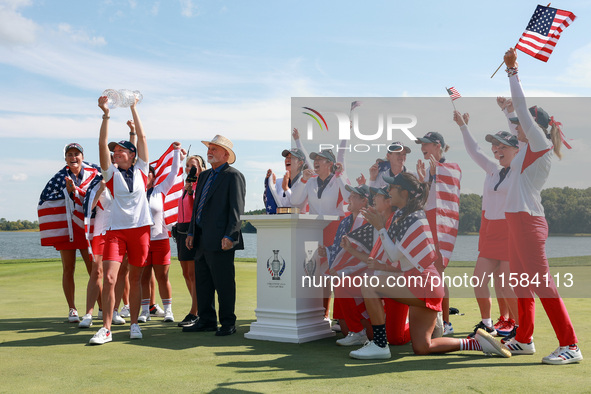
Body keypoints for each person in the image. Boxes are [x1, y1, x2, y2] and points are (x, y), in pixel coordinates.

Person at [349, 173, 509, 360]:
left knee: (369, 284)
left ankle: (380, 344)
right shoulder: (406, 215)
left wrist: (380, 228)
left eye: (392, 187)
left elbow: (393, 255)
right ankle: (475, 343)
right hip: (424, 284)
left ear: (404, 192)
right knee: (423, 347)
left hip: (423, 284)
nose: (389, 191)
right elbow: (396, 256)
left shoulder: (413, 218)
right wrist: (380, 226)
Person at [500, 48, 582, 364]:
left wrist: (513, 71)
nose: (514, 126)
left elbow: (521, 110)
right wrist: (506, 108)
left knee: (541, 283)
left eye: (519, 122)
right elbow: (516, 116)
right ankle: (524, 339)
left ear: (533, 124)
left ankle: (571, 345)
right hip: (517, 220)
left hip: (527, 221)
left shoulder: (539, 142)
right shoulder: (525, 147)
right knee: (521, 282)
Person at [89, 95, 152, 345]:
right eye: (114, 152)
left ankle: (134, 323)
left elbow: (144, 139)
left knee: (135, 279)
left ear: (132, 155)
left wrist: (135, 108)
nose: (115, 153)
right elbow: (102, 143)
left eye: (121, 151)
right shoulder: (111, 173)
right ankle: (106, 329)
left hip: (141, 231)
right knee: (110, 278)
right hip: (116, 232)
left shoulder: (142, 170)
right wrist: (106, 114)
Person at [453, 110, 520, 338]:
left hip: (510, 231)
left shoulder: (521, 171)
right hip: (490, 230)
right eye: (496, 147)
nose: (497, 150)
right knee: (478, 278)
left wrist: (508, 111)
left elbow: (521, 138)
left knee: (507, 285)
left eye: (503, 146)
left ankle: (521, 330)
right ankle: (487, 323)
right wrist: (463, 126)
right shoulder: (493, 169)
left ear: (516, 149)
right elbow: (475, 150)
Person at [183, 135, 246, 336]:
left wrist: (230, 235)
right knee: (203, 283)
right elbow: (196, 210)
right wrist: (192, 231)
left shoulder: (233, 176)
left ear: (226, 154)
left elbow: (237, 210)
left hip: (221, 240)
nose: (209, 152)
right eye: (209, 148)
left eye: (214, 149)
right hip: (201, 238)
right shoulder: (203, 176)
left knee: (224, 283)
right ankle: (207, 320)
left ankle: (228, 322)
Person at [38, 143, 101, 323]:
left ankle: (102, 307)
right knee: (68, 268)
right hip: (67, 229)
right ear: (65, 158)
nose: (73, 157)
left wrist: (77, 191)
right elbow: (47, 199)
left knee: (94, 270)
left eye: (76, 154)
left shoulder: (93, 172)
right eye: (70, 154)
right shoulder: (58, 178)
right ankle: (72, 309)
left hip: (86, 227)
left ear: (82, 156)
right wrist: (68, 191)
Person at [415, 132, 461, 335]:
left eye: (425, 144)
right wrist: (424, 178)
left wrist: (435, 174)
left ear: (437, 145)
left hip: (440, 223)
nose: (422, 147)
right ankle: (436, 318)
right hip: (427, 220)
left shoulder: (451, 166)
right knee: (430, 274)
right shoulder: (429, 170)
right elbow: (424, 198)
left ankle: (446, 321)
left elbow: (448, 190)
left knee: (438, 273)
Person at [138, 145, 184, 324]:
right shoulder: (135, 192)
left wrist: (176, 153)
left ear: (154, 177)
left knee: (162, 277)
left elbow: (173, 173)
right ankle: (144, 311)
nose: (147, 177)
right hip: (142, 241)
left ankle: (168, 311)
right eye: (144, 174)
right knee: (144, 277)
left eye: (149, 174)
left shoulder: (160, 190)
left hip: (160, 240)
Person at [176, 154, 206, 327]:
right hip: (181, 230)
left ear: (201, 168)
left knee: (194, 274)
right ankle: (197, 307)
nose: (190, 169)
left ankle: (194, 312)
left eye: (194, 166)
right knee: (186, 273)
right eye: (188, 166)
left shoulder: (200, 186)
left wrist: (190, 191)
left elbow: (196, 207)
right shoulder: (186, 185)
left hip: (192, 231)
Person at [264, 146, 307, 213]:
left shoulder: (305, 182)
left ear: (300, 163)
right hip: (281, 222)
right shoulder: (278, 182)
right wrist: (271, 187)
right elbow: (269, 203)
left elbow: (298, 203)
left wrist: (286, 188)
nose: (287, 160)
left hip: (300, 222)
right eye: (287, 157)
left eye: (292, 158)